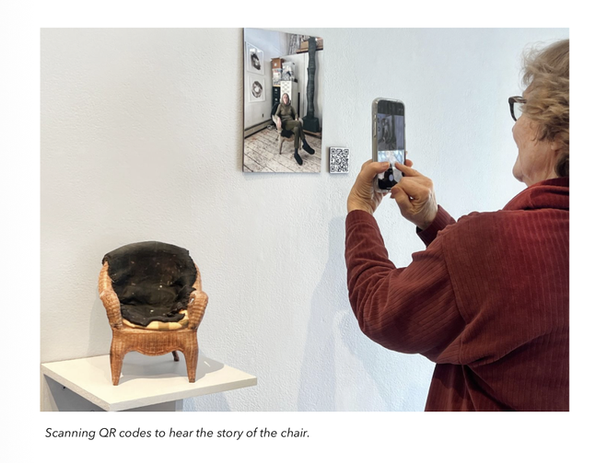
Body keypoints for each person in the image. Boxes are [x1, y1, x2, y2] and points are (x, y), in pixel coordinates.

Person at [345, 39, 569, 411]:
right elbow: (489, 288)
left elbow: (380, 309)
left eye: (525, 107)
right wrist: (433, 221)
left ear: (557, 131)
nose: (515, 128)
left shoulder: (494, 242)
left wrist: (360, 212)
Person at [274, 93, 315, 165]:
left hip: (292, 123)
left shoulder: (290, 107)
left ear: (288, 98)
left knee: (296, 129)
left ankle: (296, 153)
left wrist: (296, 118)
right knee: (298, 123)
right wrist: (278, 119)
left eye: (286, 97)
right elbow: (276, 114)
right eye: (284, 97)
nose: (285, 99)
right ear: (282, 99)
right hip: (285, 123)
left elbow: (296, 113)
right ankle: (305, 144)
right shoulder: (280, 106)